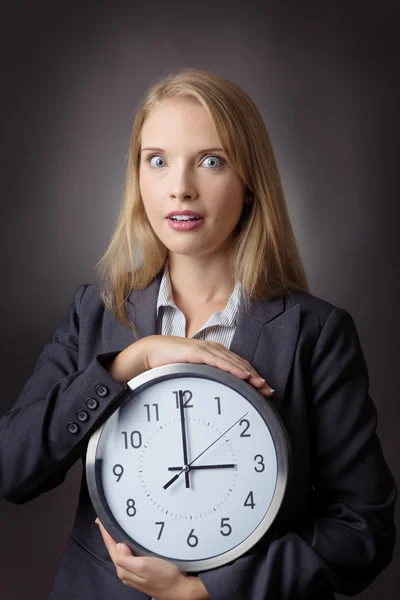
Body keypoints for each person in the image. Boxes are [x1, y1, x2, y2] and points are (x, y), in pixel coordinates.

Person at [0, 67, 396, 600]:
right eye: (157, 160)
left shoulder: (314, 334)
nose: (180, 188)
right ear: (138, 177)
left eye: (211, 161)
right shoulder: (97, 312)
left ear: (250, 178)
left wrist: (206, 590)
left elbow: (363, 531)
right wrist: (130, 363)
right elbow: (11, 468)